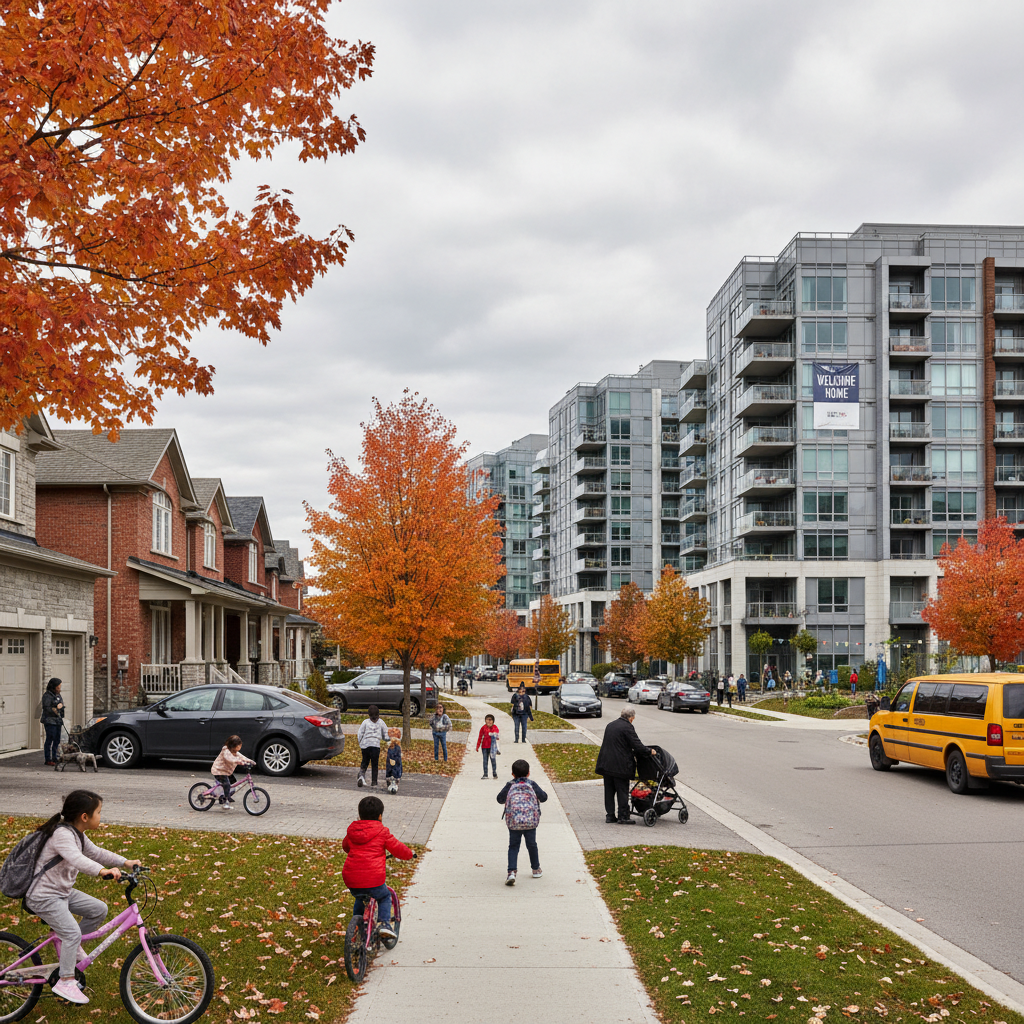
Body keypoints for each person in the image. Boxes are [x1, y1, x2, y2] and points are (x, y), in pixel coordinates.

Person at [24, 790, 141, 1005]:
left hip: (61, 893)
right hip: (43, 895)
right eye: (98, 812)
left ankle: (72, 945)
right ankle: (65, 981)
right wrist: (101, 871)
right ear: (84, 817)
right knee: (71, 932)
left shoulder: (77, 833)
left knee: (98, 909)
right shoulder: (62, 834)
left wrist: (125, 862)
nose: (100, 816)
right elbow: (77, 859)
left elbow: (96, 853)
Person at [341, 795, 415, 940]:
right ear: (380, 816)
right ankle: (385, 924)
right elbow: (398, 848)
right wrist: (410, 855)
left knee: (360, 897)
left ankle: (357, 924)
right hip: (373, 878)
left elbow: (346, 847)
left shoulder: (352, 831)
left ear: (359, 815)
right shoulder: (382, 832)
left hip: (351, 878)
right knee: (384, 896)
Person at [594, 707, 655, 825]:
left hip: (606, 764)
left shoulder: (610, 725)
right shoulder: (627, 727)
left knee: (609, 791)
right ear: (631, 718)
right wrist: (649, 751)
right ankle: (623, 816)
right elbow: (637, 745)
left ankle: (610, 815)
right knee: (622, 791)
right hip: (620, 766)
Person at [497, 758, 548, 886]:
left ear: (512, 774)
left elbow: (500, 799)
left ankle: (511, 872)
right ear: (528, 773)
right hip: (530, 821)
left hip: (514, 822)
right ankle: (536, 869)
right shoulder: (532, 784)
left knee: (513, 846)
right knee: (532, 844)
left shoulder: (510, 785)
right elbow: (544, 797)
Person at [211, 734, 255, 807]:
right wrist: (241, 762)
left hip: (226, 772)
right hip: (218, 771)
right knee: (227, 784)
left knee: (233, 783)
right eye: (239, 745)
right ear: (234, 746)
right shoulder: (226, 751)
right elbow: (230, 759)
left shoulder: (235, 752)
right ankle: (226, 802)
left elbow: (242, 757)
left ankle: (224, 796)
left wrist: (250, 761)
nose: (240, 747)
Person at [356, 705, 389, 789]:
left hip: (365, 745)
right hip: (375, 746)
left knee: (365, 761)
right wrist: (388, 740)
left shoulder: (365, 722)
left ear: (369, 714)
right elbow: (386, 734)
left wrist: (360, 743)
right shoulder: (381, 722)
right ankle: (374, 781)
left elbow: (360, 733)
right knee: (375, 764)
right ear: (378, 714)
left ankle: (361, 775)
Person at [40, 677, 65, 766]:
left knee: (57, 739)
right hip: (49, 721)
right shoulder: (47, 696)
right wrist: (56, 708)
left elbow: (61, 705)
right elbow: (47, 708)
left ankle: (55, 757)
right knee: (50, 738)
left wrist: (61, 708)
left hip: (58, 721)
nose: (59, 689)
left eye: (60, 687)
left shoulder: (58, 695)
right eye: (58, 687)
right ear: (53, 687)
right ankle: (48, 759)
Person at [476, 713, 500, 778]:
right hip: (484, 746)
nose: (489, 721)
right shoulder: (483, 728)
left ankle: (494, 773)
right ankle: (485, 774)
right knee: (485, 760)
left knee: (493, 760)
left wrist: (493, 733)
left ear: (493, 721)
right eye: (487, 720)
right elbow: (480, 737)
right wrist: (477, 746)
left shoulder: (495, 727)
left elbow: (497, 734)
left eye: (490, 720)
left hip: (492, 747)